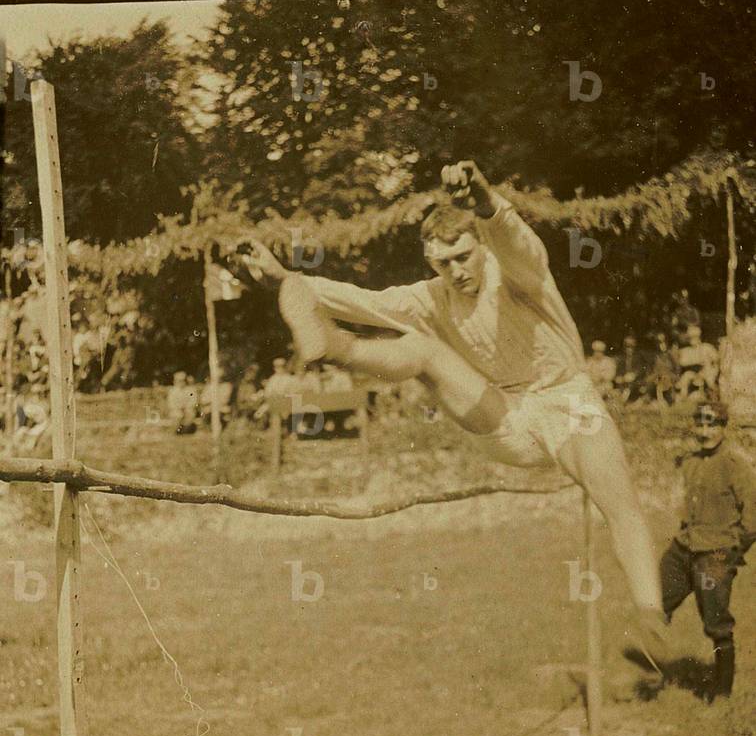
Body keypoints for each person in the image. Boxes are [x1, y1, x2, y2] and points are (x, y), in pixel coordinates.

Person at [239, 161, 667, 656]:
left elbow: (517, 242)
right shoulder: (431, 297)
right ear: (430, 262)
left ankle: (650, 615)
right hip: (503, 415)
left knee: (618, 500)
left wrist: (485, 203)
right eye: (443, 264)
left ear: (480, 246)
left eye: (463, 257)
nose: (456, 272)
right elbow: (363, 299)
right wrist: (284, 280)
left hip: (568, 402)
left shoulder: (518, 278)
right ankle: (334, 346)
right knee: (421, 348)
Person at [660, 402, 755, 701]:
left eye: (712, 424)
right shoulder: (691, 462)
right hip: (685, 546)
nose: (705, 431)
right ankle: (657, 673)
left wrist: (730, 552)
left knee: (715, 621)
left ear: (723, 427)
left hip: (715, 552)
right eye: (700, 424)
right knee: (653, 601)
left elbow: (753, 518)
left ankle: (722, 693)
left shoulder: (735, 465)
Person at [677, 324, 719, 402]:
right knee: (686, 376)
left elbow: (716, 359)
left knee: (710, 381)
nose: (693, 341)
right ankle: (683, 397)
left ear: (699, 338)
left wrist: (709, 364)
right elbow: (683, 363)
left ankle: (715, 396)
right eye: (691, 339)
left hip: (709, 371)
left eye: (695, 338)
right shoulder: (688, 350)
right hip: (697, 372)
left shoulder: (707, 347)